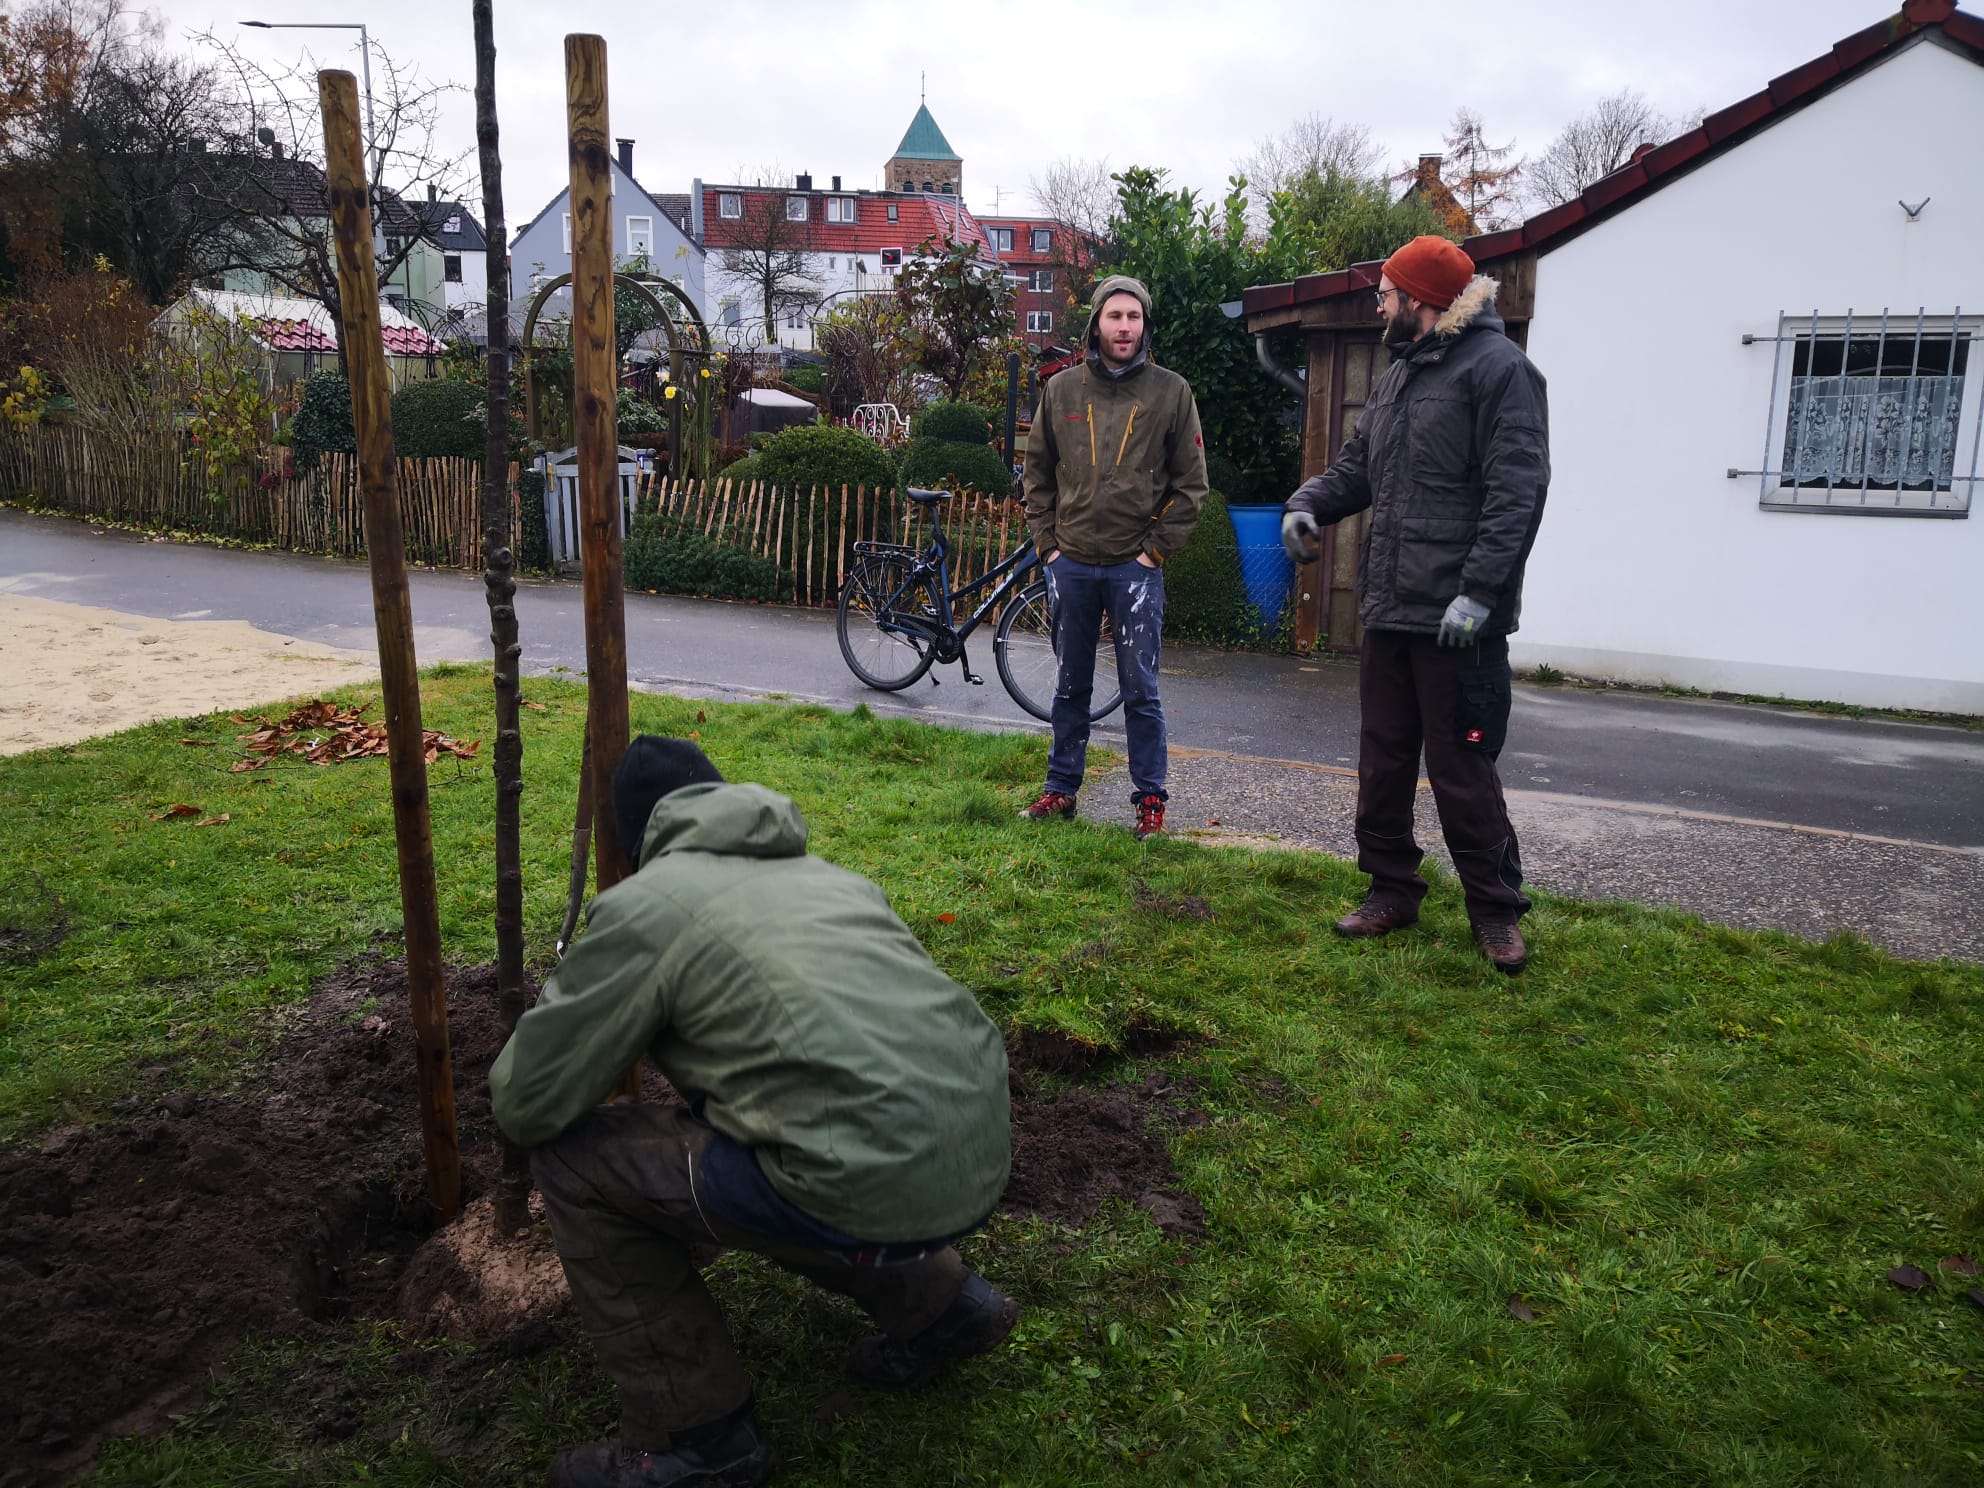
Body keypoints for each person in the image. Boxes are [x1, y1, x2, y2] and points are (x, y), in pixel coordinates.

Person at [491, 736, 1016, 1488]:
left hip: (859, 1171)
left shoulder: (647, 905)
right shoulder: (831, 879)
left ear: (639, 839)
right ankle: (948, 1305)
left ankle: (698, 1437)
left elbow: (528, 1103)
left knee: (576, 1163)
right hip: (973, 1149)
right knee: (812, 1130)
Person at [1280, 235, 1549, 973]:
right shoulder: (1400, 376)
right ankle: (1391, 890)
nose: (1379, 306)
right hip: (1391, 607)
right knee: (1383, 762)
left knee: (1463, 770)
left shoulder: (1501, 371)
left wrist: (1480, 593)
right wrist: (1306, 505)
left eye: (1386, 295)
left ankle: (1495, 910)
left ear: (1421, 301)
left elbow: (1517, 493)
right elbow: (1357, 468)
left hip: (1459, 621)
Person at [1020, 273, 1209, 840]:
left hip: (1134, 567)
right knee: (1070, 684)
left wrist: (1154, 553)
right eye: (1114, 316)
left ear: (1144, 325)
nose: (1124, 327)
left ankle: (1150, 799)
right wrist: (1048, 547)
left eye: (1133, 317)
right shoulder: (1062, 391)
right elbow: (1036, 475)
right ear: (1096, 324)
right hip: (1071, 562)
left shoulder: (1171, 392)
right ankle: (1061, 788)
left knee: (1140, 690)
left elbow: (1192, 486)